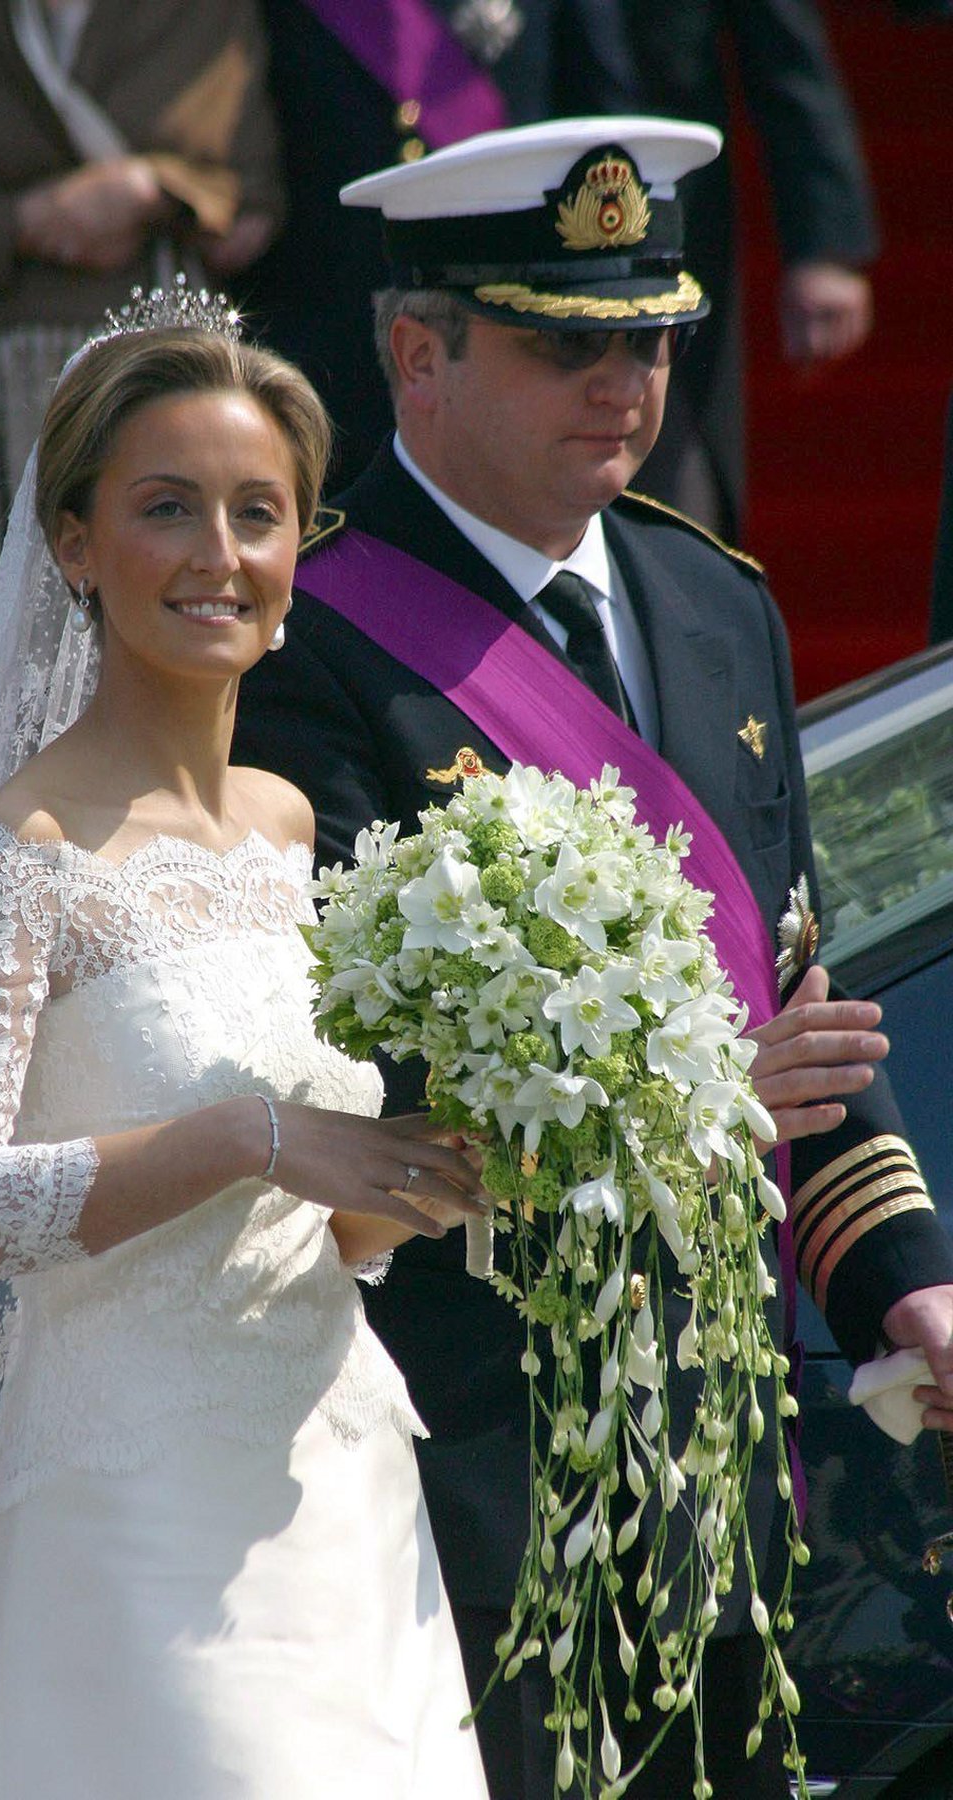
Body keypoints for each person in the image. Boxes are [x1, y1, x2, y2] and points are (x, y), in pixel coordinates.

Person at [234, 117, 953, 1799]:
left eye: (652, 335)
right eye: (567, 343)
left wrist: (903, 1279)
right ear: (421, 353)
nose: (624, 381)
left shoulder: (715, 608)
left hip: (725, 1450)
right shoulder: (304, 645)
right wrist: (713, 1094)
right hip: (465, 1454)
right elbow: (347, 1079)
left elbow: (803, 1022)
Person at [0, 299, 492, 1799]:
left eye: (257, 513)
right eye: (167, 508)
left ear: (299, 559)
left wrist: (437, 1180)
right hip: (132, 1521)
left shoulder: (294, 830)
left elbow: (338, 1230)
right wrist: (250, 1138)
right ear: (77, 546)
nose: (218, 553)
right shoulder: (19, 849)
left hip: (345, 1496)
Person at [0, 0, 283, 906]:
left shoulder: (206, 20)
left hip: (157, 420)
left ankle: (155, 913)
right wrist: (25, 223)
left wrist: (151, 188)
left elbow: (253, 209)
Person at [249, 0, 876, 537]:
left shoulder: (725, 603)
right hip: (345, 295)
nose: (621, 385)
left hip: (548, 271)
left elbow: (605, 93)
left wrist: (630, 261)